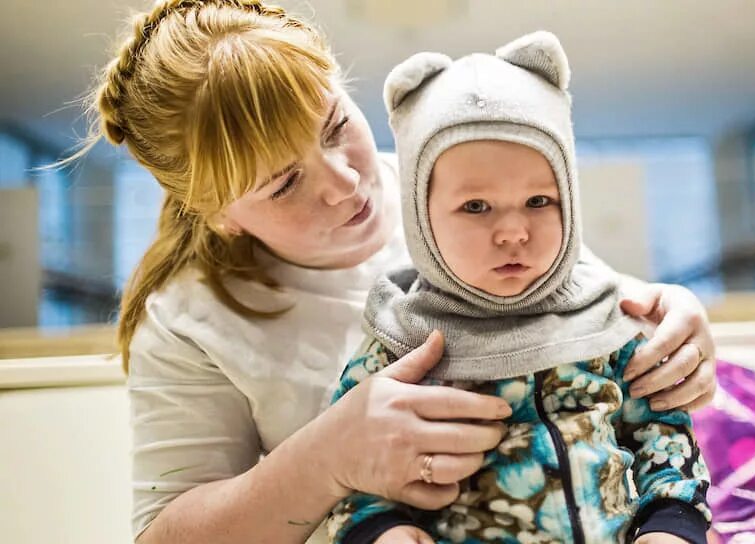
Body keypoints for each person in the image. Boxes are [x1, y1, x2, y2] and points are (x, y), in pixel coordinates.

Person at [70, 1, 718, 542]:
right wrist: (328, 459)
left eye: (333, 125)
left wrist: (663, 314)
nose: (347, 181)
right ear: (218, 213)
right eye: (284, 182)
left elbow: (579, 310)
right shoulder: (190, 321)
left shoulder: (452, 180)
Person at [320, 32, 710, 544]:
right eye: (476, 207)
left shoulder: (611, 323)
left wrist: (672, 526)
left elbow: (663, 438)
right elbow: (351, 474)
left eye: (538, 201)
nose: (513, 232)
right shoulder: (399, 344)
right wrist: (381, 529)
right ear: (421, 219)